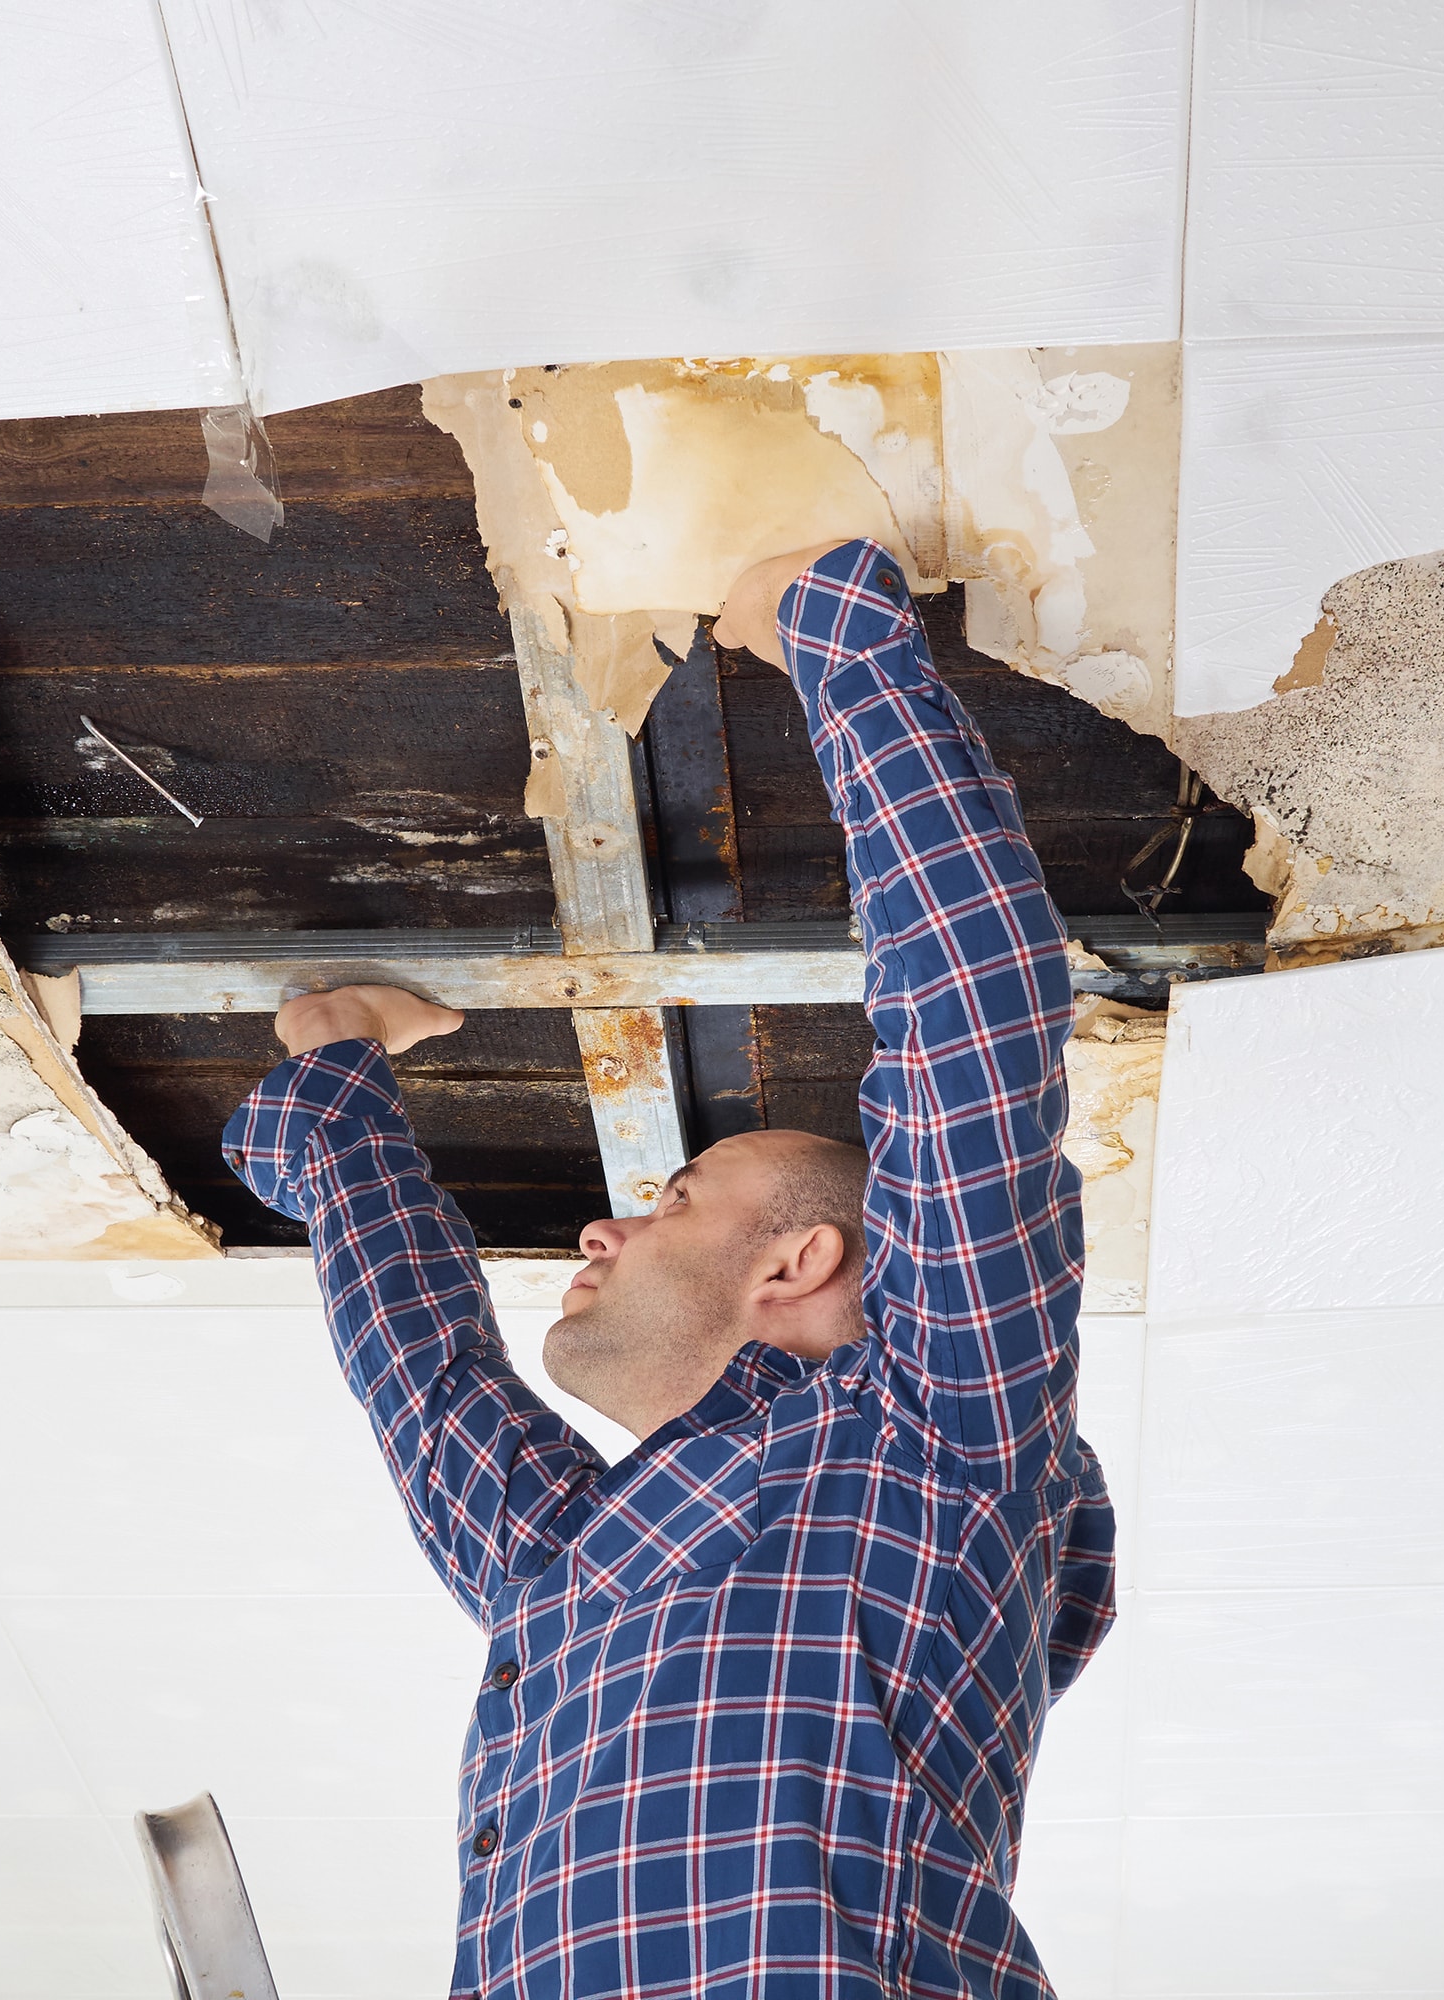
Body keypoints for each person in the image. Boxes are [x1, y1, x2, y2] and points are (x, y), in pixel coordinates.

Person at [222, 538, 1114, 2000]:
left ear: (803, 1264)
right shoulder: (902, 1446)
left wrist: (332, 1092)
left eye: (668, 1197)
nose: (602, 1228)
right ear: (796, 1259)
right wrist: (831, 629)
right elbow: (971, 1024)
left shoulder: (914, 1451)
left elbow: (425, 1391)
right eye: (677, 1195)